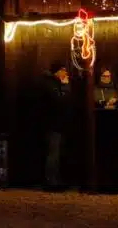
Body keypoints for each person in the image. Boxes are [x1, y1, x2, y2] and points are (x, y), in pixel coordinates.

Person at [40, 60, 71, 190]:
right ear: (58, 72)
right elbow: (59, 102)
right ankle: (51, 182)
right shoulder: (50, 84)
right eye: (63, 70)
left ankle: (55, 180)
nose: (65, 73)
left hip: (58, 123)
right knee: (53, 153)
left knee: (56, 153)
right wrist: (65, 87)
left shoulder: (52, 83)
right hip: (53, 124)